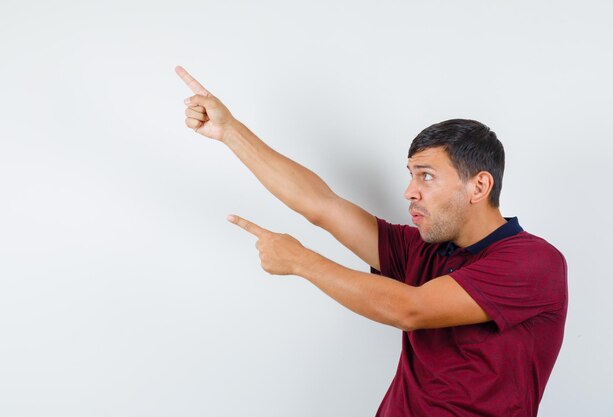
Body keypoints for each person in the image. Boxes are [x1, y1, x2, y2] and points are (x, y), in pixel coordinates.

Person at [175, 65, 568, 417]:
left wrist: (300, 261)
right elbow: (320, 205)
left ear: (479, 185)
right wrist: (230, 132)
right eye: (411, 175)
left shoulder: (534, 262)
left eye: (426, 176)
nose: (409, 192)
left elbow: (409, 309)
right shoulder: (423, 249)